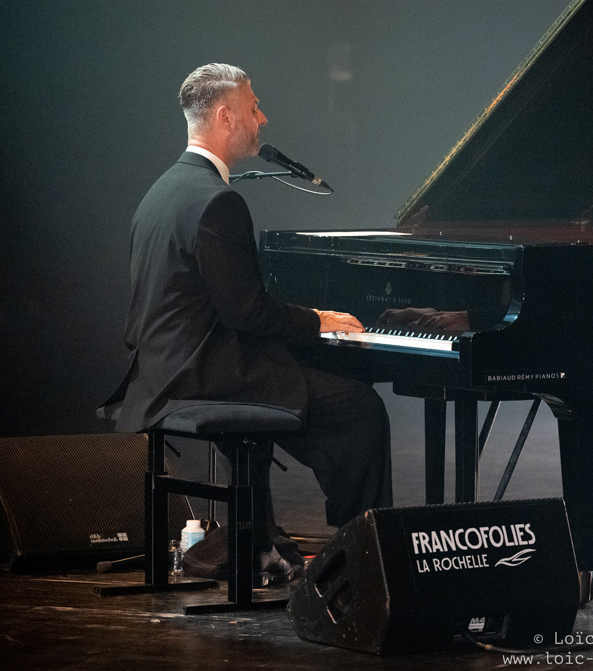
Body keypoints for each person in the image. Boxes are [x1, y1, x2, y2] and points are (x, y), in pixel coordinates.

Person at [100, 63, 392, 581]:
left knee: (307, 375)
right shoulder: (219, 200)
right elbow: (247, 311)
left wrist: (304, 328)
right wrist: (318, 320)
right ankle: (363, 561)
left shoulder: (163, 190)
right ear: (224, 116)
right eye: (254, 107)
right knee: (360, 409)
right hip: (204, 375)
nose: (263, 117)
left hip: (159, 370)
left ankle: (258, 542)